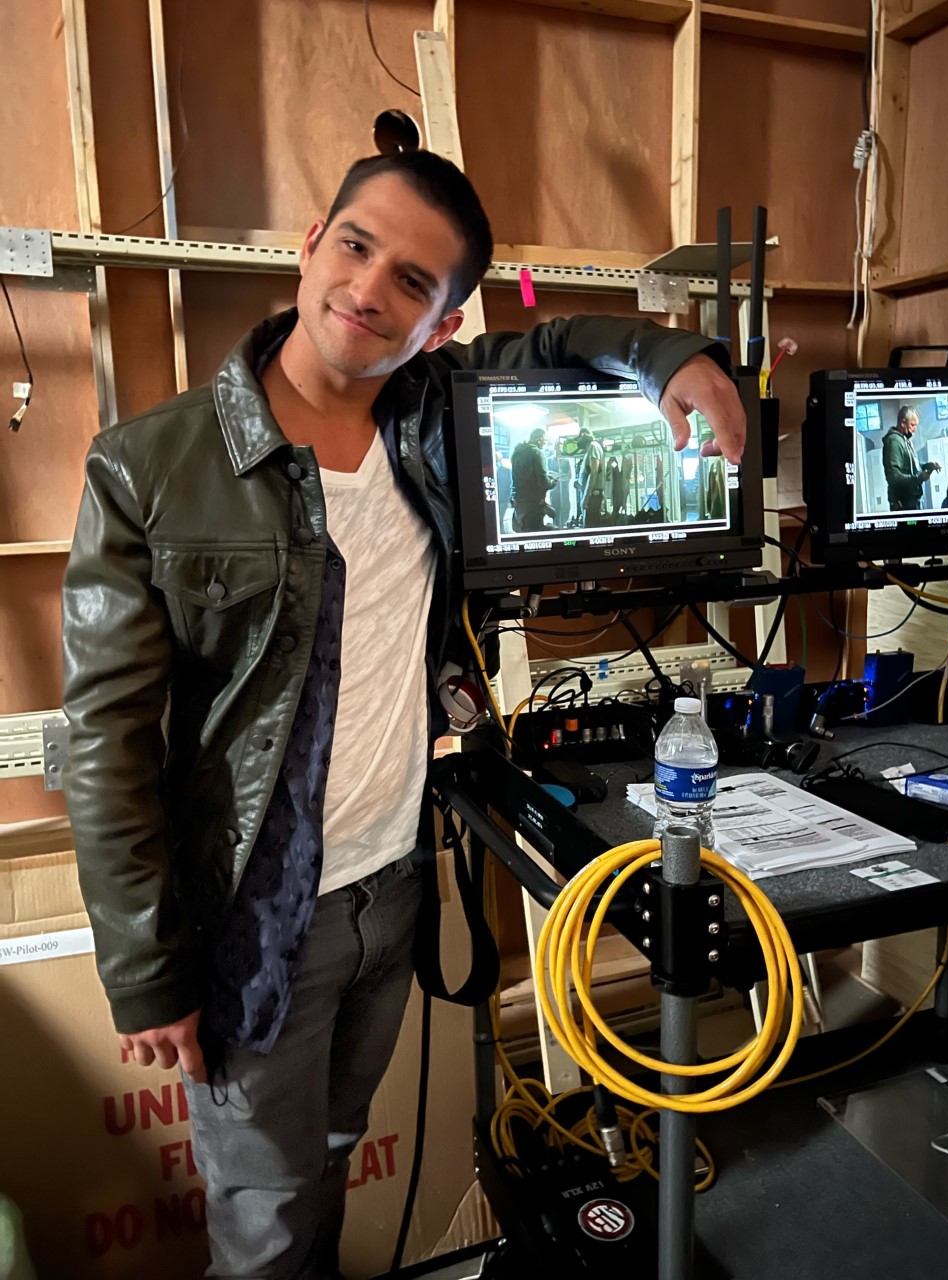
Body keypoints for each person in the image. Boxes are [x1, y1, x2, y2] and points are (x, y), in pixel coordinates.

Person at [60, 148, 747, 1280]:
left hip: (392, 892)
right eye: (356, 245)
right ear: (309, 246)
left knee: (331, 1164)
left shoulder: (433, 418)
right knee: (266, 1226)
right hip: (255, 924)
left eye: (414, 282)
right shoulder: (148, 466)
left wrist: (680, 357)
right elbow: (105, 744)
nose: (369, 289)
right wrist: (145, 971)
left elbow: (558, 343)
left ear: (441, 324)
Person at [882, 404, 941, 511]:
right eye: (912, 425)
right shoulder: (894, 442)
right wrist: (919, 477)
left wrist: (928, 465)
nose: (915, 429)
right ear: (903, 423)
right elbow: (893, 477)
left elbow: (911, 467)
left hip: (911, 502)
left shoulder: (904, 440)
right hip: (903, 505)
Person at [510, 426, 556, 531]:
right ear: (539, 439)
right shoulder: (537, 453)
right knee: (535, 534)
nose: (545, 444)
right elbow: (543, 482)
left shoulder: (517, 453)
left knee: (524, 532)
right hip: (533, 503)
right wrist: (553, 482)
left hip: (518, 502)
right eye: (545, 441)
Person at [575, 425, 606, 526]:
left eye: (580, 437)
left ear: (584, 435)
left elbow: (594, 472)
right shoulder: (590, 450)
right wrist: (580, 481)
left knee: (591, 526)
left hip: (593, 496)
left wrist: (586, 497)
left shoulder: (593, 446)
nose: (578, 440)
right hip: (591, 495)